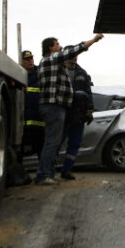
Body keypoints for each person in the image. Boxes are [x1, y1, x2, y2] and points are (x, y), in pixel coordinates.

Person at [34, 33, 104, 186]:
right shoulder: (52, 59)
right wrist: (93, 40)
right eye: (57, 44)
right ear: (51, 48)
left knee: (54, 142)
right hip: (54, 107)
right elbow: (74, 51)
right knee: (52, 143)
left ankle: (49, 173)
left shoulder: (52, 63)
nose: (60, 46)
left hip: (57, 108)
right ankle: (43, 174)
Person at [58, 46, 95, 180]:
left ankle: (67, 170)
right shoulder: (59, 70)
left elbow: (88, 93)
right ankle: (49, 170)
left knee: (74, 144)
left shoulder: (82, 73)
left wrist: (90, 110)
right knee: (56, 142)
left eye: (76, 54)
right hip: (62, 113)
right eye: (72, 54)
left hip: (77, 115)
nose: (75, 56)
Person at [19, 50, 44, 163]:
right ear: (21, 62)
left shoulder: (40, 73)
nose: (30, 61)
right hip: (23, 122)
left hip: (39, 121)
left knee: (40, 148)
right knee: (21, 149)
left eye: (31, 59)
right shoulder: (18, 74)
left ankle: (44, 173)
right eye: (27, 59)